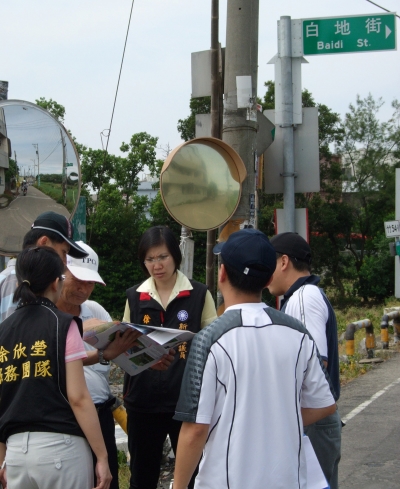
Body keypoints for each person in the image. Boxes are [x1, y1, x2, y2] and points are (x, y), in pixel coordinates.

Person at [172, 229, 336, 489]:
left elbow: (195, 430)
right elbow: (325, 404)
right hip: (288, 479)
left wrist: (179, 486)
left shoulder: (210, 339)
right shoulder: (298, 333)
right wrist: (276, 419)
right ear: (269, 276)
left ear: (222, 274)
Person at [0, 246, 112, 489]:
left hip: (17, 453)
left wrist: (2, 460)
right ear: (55, 282)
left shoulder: (4, 330)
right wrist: (102, 457)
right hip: (61, 449)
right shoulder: (62, 324)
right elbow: (79, 397)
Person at [122, 225, 217, 489]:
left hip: (186, 402)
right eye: (150, 259)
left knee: (194, 475)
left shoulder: (198, 294)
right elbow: (124, 345)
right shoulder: (135, 297)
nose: (156, 265)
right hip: (142, 402)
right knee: (142, 476)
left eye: (162, 257)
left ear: (175, 256)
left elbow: (214, 340)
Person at [56, 241, 141, 489]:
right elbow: (60, 363)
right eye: (78, 280)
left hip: (101, 415)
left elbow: (119, 353)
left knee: (105, 480)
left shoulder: (94, 311)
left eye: (90, 283)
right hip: (65, 418)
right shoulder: (46, 318)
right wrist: (103, 354)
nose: (84, 289)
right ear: (60, 273)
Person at [268, 231, 341, 489]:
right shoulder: (302, 296)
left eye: (269, 263)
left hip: (312, 420)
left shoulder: (303, 298)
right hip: (313, 419)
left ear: (284, 262)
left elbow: (317, 363)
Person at [0, 210, 88, 322]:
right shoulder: (17, 279)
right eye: (64, 252)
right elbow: (17, 336)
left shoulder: (19, 276)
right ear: (44, 242)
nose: (65, 262)